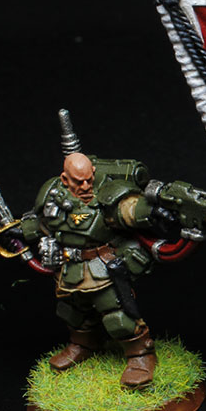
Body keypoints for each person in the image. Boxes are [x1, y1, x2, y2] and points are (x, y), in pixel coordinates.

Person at [16, 152, 167, 388]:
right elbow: (41, 223)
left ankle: (140, 355)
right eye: (79, 182)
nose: (86, 186)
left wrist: (149, 210)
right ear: (65, 179)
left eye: (89, 179)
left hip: (101, 267)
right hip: (69, 266)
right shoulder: (54, 196)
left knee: (117, 314)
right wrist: (20, 230)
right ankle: (83, 345)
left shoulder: (107, 195)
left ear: (94, 173)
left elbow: (128, 211)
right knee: (73, 311)